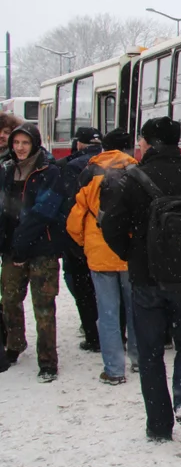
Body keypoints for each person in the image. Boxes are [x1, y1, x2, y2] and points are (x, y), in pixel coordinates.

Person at [100, 117, 181, 442]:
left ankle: (158, 425)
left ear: (149, 142)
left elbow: (112, 226)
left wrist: (133, 253)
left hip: (146, 280)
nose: (138, 145)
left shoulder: (132, 180)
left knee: (150, 351)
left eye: (141, 140)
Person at [66, 129, 139, 385]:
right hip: (129, 253)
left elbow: (76, 217)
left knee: (108, 313)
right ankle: (139, 360)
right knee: (135, 309)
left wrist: (85, 243)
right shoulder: (136, 171)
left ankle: (114, 369)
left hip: (99, 253)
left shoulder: (89, 172)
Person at [0, 124, 64, 382]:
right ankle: (15, 344)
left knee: (44, 307)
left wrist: (21, 244)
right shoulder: (6, 171)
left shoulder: (50, 172)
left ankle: (48, 360)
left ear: (35, 143)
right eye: (16, 143)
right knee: (10, 300)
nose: (20, 148)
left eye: (25, 143)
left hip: (42, 250)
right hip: (11, 250)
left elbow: (44, 212)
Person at [56, 126, 103, 353]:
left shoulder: (68, 166)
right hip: (105, 238)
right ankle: (110, 329)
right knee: (108, 287)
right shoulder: (112, 163)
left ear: (78, 144)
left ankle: (92, 333)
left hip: (78, 237)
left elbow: (68, 206)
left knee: (80, 285)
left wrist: (72, 238)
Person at [0, 111, 24, 374]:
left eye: (7, 133)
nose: (3, 138)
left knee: (10, 293)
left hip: (10, 236)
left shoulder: (16, 163)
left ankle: (12, 342)